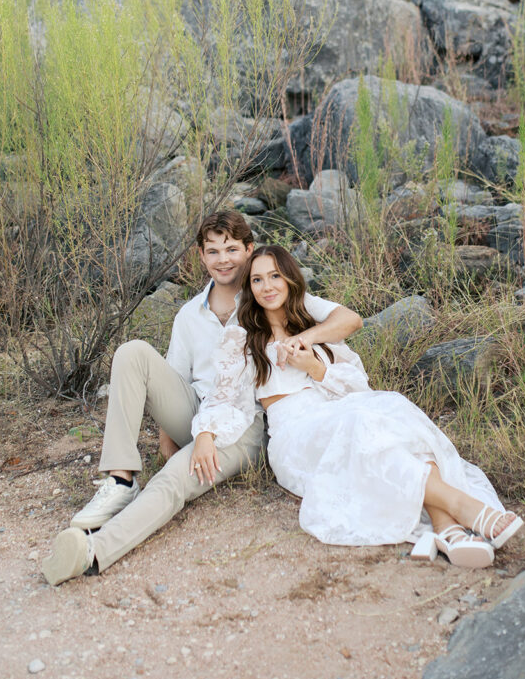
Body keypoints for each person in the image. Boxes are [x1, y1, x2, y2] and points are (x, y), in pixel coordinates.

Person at [42, 213, 363, 585]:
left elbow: (347, 319)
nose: (223, 259)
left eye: (231, 249)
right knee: (132, 352)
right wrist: (173, 441)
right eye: (213, 251)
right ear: (202, 256)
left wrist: (305, 339)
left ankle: (91, 553)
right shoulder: (188, 315)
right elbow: (174, 379)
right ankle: (121, 479)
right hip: (200, 411)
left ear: (248, 250)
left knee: (174, 478)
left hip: (244, 423)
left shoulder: (267, 293)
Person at [190, 245, 523, 566]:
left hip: (338, 412)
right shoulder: (243, 338)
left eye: (275, 276)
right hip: (297, 434)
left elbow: (356, 388)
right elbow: (223, 394)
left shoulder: (312, 330)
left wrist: (314, 367)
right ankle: (464, 508)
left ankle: (447, 528)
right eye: (257, 280)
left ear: (290, 279)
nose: (267, 286)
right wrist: (205, 433)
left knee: (390, 408)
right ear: (248, 288)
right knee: (362, 423)